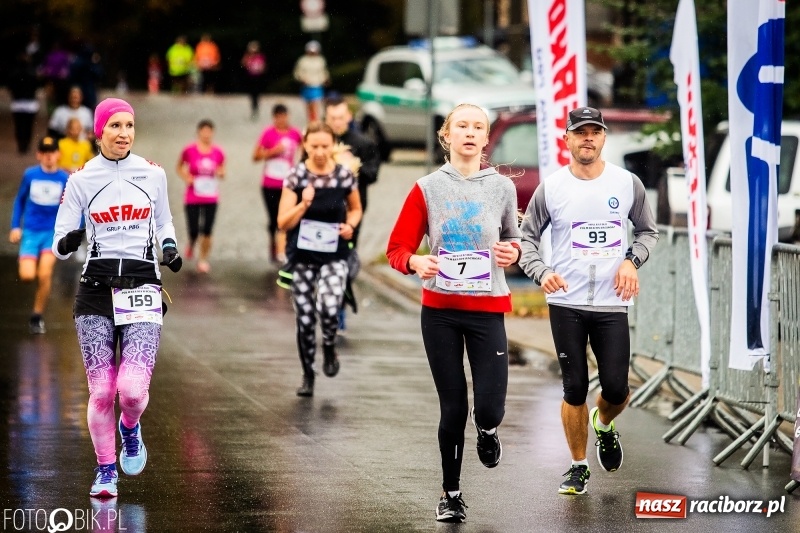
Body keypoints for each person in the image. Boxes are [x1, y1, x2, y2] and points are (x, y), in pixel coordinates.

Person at [385, 103, 522, 523]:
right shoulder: (427, 187)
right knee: (453, 407)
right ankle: (451, 493)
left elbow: (515, 244)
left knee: (490, 407)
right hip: (441, 311)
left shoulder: (502, 188)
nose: (469, 132)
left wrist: (510, 252)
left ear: (485, 139)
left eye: (477, 127)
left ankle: (489, 430)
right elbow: (397, 249)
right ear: (447, 135)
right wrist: (415, 263)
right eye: (461, 125)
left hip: (487, 310)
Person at [518, 106, 659, 496]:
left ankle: (604, 423)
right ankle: (578, 466)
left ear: (603, 137)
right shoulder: (553, 187)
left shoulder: (627, 183)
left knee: (616, 389)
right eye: (580, 132)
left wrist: (631, 261)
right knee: (574, 387)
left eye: (594, 132)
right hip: (566, 301)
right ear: (567, 139)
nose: (588, 139)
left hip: (612, 303)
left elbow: (648, 232)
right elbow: (526, 237)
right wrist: (541, 272)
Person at [52, 98, 183, 498]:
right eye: (115, 126)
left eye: (129, 125)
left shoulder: (153, 174)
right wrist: (71, 239)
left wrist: (170, 246)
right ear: (100, 131)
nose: (124, 133)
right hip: (95, 291)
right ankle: (106, 469)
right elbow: (59, 245)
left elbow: (163, 219)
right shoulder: (80, 180)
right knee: (103, 391)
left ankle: (130, 426)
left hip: (143, 287)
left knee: (131, 390)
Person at [277, 122, 362, 398]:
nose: (320, 151)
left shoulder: (344, 177)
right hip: (302, 258)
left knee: (329, 304)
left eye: (325, 145)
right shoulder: (296, 176)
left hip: (334, 254)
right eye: (314, 146)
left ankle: (328, 345)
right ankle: (308, 374)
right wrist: (303, 204)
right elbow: (282, 222)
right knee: (304, 318)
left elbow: (356, 209)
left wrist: (350, 225)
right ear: (305, 146)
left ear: (333, 145)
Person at [9, 136, 70, 334]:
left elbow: (74, 207)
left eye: (52, 152)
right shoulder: (30, 175)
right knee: (27, 276)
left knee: (44, 273)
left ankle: (37, 316)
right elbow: (19, 200)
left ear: (58, 154)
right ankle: (31, 267)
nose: (49, 157)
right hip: (31, 232)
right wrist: (14, 226)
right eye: (45, 153)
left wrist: (73, 230)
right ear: (39, 155)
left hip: (52, 234)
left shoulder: (64, 178)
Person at [253, 104, 302, 264]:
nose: (281, 120)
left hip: (288, 183)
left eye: (284, 116)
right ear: (274, 118)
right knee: (273, 218)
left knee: (286, 216)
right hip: (269, 183)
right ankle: (273, 243)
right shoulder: (268, 133)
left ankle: (284, 248)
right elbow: (256, 156)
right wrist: (273, 151)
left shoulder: (295, 133)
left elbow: (305, 148)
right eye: (278, 117)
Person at [176, 119, 226, 273]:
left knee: (207, 231)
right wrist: (187, 177)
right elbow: (179, 167)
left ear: (212, 133)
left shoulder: (218, 152)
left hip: (211, 196)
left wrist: (221, 173)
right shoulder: (189, 150)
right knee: (193, 229)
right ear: (198, 132)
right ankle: (191, 242)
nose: (206, 134)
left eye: (209, 131)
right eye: (203, 131)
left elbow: (222, 171)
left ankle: (203, 259)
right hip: (193, 196)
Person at [8, 52, 40, 154]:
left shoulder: (14, 73)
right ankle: (26, 144)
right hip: (29, 102)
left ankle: (21, 144)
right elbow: (37, 85)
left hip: (18, 102)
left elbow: (10, 86)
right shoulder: (32, 72)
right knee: (28, 125)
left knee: (19, 125)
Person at [293, 41, 329, 122]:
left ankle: (315, 120)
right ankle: (310, 120)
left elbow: (323, 72)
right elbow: (298, 72)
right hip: (306, 85)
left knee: (315, 103)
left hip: (317, 85)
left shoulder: (320, 60)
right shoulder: (303, 60)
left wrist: (325, 79)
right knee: (308, 104)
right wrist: (301, 79)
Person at [241, 41, 267, 120]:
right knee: (252, 94)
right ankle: (253, 109)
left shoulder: (260, 57)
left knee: (256, 94)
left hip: (258, 78)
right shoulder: (248, 56)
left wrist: (259, 69)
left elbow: (263, 67)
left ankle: (255, 109)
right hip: (250, 77)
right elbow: (243, 64)